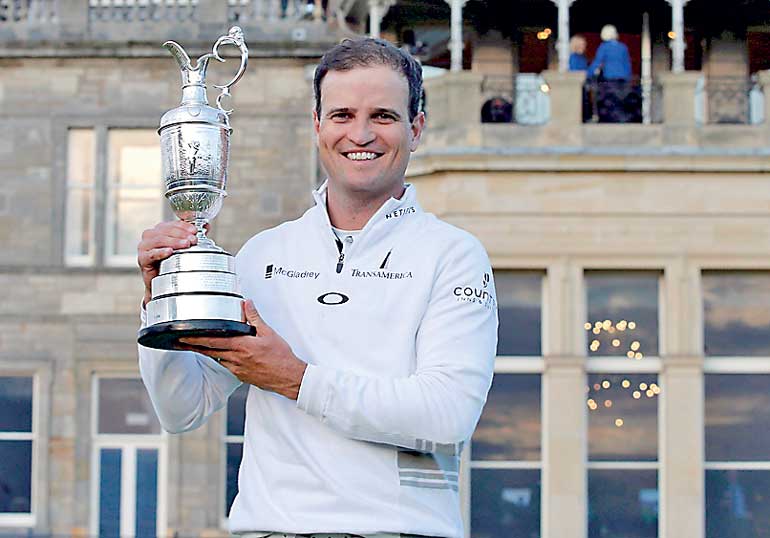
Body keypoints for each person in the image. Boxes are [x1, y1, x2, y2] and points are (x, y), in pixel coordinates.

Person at [137, 37, 498, 538]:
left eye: (385, 117)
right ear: (317, 125)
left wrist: (294, 378)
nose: (362, 134)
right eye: (343, 114)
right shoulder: (265, 254)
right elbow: (182, 409)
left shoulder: (453, 256)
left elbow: (447, 414)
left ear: (416, 129)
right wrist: (162, 301)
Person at [587, 25, 636, 123]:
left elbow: (598, 62)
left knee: (611, 100)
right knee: (622, 99)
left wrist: (588, 73)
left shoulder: (604, 47)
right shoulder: (623, 47)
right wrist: (629, 78)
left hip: (610, 78)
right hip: (623, 79)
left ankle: (612, 119)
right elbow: (627, 63)